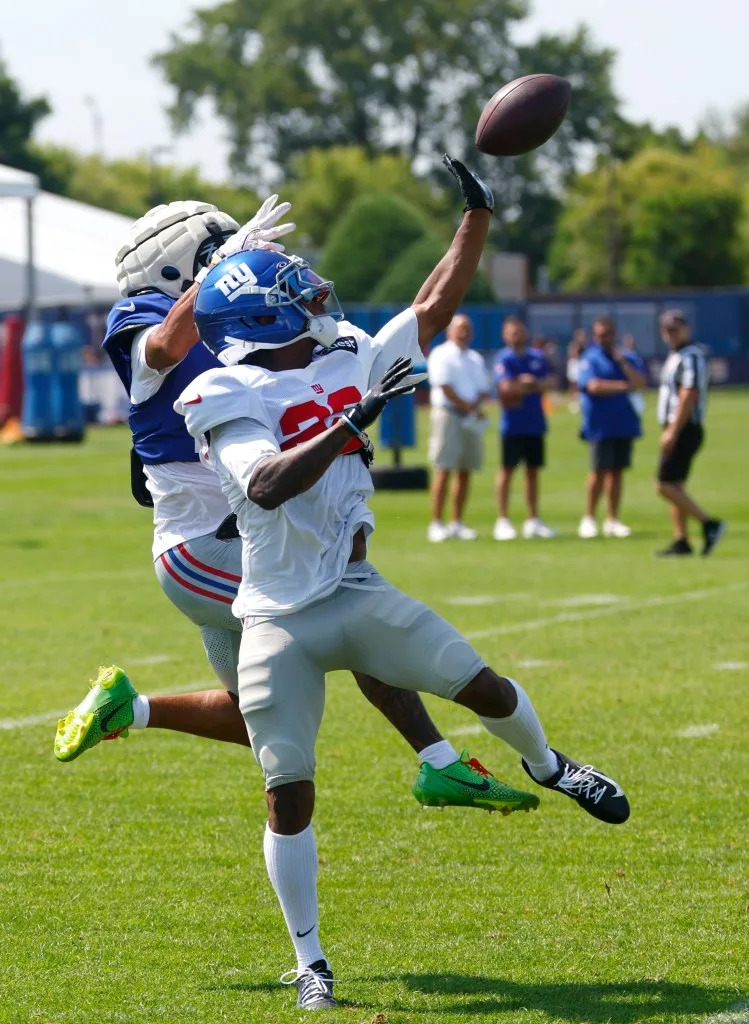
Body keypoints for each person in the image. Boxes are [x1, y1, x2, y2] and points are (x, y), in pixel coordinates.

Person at [176, 157, 630, 1011]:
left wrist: (477, 218)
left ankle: (549, 764)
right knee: (288, 790)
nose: (321, 298)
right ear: (264, 316)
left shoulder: (344, 350)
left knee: (484, 688)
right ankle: (310, 961)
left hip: (352, 587)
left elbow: (429, 307)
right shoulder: (224, 390)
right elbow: (266, 483)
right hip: (277, 615)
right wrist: (356, 417)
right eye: (300, 292)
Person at [54, 196, 534, 818]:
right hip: (205, 544)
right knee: (346, 604)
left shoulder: (252, 324)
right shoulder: (144, 315)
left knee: (249, 716)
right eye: (222, 248)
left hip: (252, 535)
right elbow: (169, 345)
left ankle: (128, 707)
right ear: (186, 264)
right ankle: (441, 764)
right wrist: (218, 268)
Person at [655, 309, 725, 556]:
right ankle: (681, 540)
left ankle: (709, 524)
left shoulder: (691, 355)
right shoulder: (676, 355)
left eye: (675, 328)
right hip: (676, 426)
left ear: (687, 329)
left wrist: (673, 430)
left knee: (664, 485)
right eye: (666, 329)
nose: (670, 334)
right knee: (676, 485)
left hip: (684, 427)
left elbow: (689, 393)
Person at [577, 317, 647, 539]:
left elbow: (640, 383)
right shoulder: (590, 358)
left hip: (623, 423)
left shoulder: (627, 358)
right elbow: (593, 386)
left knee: (617, 472)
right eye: (599, 334)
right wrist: (623, 387)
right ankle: (589, 518)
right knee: (598, 473)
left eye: (607, 333)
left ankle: (612, 519)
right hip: (600, 425)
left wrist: (623, 364)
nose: (604, 338)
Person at [425, 313, 489, 542]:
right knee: (444, 467)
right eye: (460, 327)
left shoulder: (475, 358)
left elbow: (483, 388)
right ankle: (436, 523)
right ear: (449, 331)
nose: (464, 332)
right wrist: (468, 406)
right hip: (448, 415)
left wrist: (475, 407)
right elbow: (444, 386)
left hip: (469, 417)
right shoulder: (441, 354)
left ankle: (457, 522)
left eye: (467, 328)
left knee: (465, 470)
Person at [493, 316, 556, 540]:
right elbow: (505, 387)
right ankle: (503, 520)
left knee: (533, 472)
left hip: (535, 423)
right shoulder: (504, 358)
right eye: (512, 332)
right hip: (513, 425)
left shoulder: (537, 357)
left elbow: (551, 382)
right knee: (507, 471)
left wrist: (529, 385)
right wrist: (528, 385)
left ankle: (533, 520)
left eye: (520, 331)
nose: (517, 335)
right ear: (505, 335)